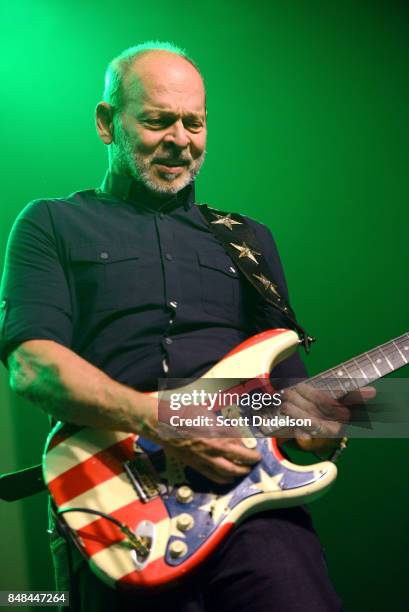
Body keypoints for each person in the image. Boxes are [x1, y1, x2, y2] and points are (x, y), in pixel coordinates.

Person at [0, 41, 367, 611]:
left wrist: (321, 431)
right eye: (156, 120)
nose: (180, 138)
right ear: (106, 123)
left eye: (193, 122)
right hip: (120, 511)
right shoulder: (50, 223)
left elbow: (292, 400)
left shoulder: (248, 239)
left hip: (255, 517)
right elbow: (31, 367)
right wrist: (166, 419)